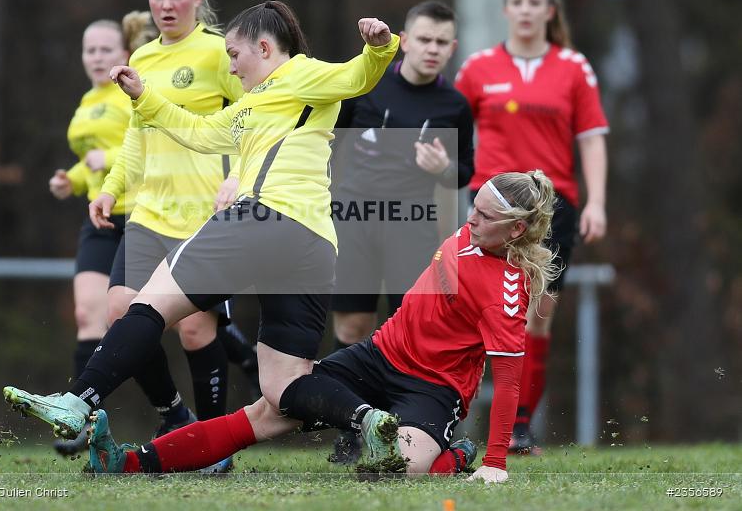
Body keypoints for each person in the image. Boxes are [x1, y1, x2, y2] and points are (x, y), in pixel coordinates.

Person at [3, 2, 402, 472]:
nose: (230, 65)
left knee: (150, 303)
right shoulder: (253, 102)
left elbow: (356, 76)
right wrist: (144, 97)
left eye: (235, 54)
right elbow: (198, 131)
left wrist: (379, 47)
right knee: (283, 385)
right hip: (313, 244)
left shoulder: (301, 73)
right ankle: (367, 418)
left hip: (262, 217)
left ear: (264, 46)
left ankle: (77, 400)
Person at [80, 170, 558, 485]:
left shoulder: (507, 291)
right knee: (266, 411)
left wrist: (496, 464)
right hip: (377, 356)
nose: (470, 218)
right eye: (473, 207)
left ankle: (455, 457)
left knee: (396, 470)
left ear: (515, 231)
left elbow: (510, 380)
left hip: (433, 388)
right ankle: (129, 461)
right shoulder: (470, 232)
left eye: (485, 216)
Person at [54, 0, 258, 466]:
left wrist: (238, 178)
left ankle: (217, 444)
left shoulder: (219, 53)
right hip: (147, 212)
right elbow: (135, 137)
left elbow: (255, 125)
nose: (165, 6)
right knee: (120, 312)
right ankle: (173, 413)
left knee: (194, 327)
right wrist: (109, 188)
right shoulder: (141, 57)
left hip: (203, 215)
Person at [454, 0, 608, 453]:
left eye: (533, 3)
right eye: (516, 2)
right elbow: (449, 128)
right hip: (492, 205)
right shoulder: (478, 67)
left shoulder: (573, 67)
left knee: (537, 314)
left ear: (548, 11)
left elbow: (592, 139)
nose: (524, 10)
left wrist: (597, 202)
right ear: (506, 10)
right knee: (477, 312)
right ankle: (448, 414)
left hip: (553, 208)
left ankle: (519, 426)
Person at [328, 0, 475, 463]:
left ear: (451, 48)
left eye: (441, 43)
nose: (432, 49)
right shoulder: (367, 85)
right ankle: (352, 427)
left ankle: (400, 430)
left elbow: (464, 172)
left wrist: (444, 166)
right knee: (352, 326)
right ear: (405, 42)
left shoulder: (454, 105)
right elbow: (328, 142)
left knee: (408, 331)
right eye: (424, 40)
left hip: (411, 227)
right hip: (352, 221)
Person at [45, 14, 157, 456]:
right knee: (87, 314)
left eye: (105, 49)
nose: (96, 57)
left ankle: (174, 412)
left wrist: (105, 156)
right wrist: (70, 180)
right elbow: (88, 161)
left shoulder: (133, 91)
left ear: (124, 53)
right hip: (99, 217)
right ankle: (80, 422)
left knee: (133, 318)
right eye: (89, 50)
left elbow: (148, 144)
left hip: (139, 214)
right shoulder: (87, 100)